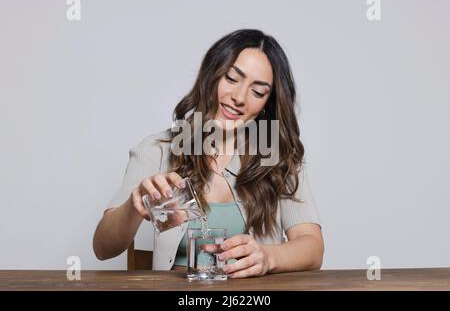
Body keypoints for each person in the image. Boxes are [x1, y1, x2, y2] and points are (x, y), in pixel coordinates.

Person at [93, 29, 324, 278]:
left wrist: (268, 257)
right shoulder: (160, 149)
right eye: (231, 78)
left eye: (257, 92)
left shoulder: (274, 156)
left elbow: (312, 246)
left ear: (267, 103)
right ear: (211, 75)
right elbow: (103, 248)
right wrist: (134, 205)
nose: (238, 98)